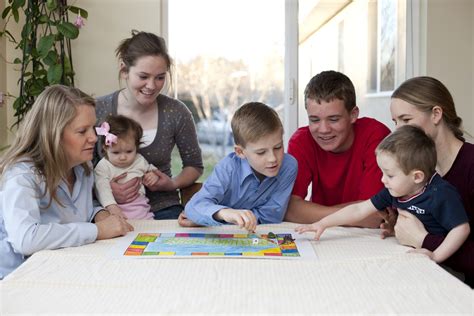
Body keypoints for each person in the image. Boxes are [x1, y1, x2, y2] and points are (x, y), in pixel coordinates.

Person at [0, 85, 134, 280]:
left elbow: (73, 213)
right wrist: (97, 230)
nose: (93, 138)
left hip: (59, 269)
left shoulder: (82, 168)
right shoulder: (22, 176)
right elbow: (25, 239)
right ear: (53, 134)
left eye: (93, 128)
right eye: (82, 131)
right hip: (17, 279)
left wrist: (99, 214)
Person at [296, 125, 470, 263]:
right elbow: (359, 210)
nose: (383, 180)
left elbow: (461, 228)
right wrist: (323, 224)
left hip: (443, 264)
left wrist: (436, 256)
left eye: (390, 174)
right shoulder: (395, 190)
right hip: (411, 254)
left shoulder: (441, 194)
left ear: (417, 176)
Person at [95, 30, 203, 220]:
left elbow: (194, 165)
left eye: (160, 77)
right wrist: (105, 192)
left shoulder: (176, 112)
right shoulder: (98, 109)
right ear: (124, 70)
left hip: (163, 207)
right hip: (107, 209)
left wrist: (172, 184)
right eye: (143, 76)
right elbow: (80, 169)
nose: (152, 86)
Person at [386, 76, 474, 286]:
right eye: (395, 122)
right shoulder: (419, 171)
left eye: (406, 120)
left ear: (436, 114)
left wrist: (423, 240)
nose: (398, 130)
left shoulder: (471, 165)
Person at [285, 70, 391, 227]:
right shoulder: (301, 141)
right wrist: (356, 214)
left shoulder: (375, 136)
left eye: (333, 119)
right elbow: (290, 210)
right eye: (314, 120)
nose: (323, 129)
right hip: (320, 232)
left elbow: (374, 216)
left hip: (366, 238)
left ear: (353, 114)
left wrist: (309, 213)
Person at [180, 102, 297, 231]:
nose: (273, 159)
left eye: (278, 147)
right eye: (261, 152)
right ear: (240, 152)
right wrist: (224, 213)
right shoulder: (228, 168)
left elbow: (271, 216)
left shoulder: (288, 166)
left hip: (247, 234)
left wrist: (210, 220)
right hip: (220, 238)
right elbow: (194, 207)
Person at [95, 115, 160, 220]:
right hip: (115, 210)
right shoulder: (103, 166)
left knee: (148, 231)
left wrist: (153, 175)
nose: (123, 157)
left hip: (141, 209)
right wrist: (111, 206)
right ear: (105, 148)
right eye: (116, 152)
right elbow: (102, 188)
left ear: (136, 147)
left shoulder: (139, 160)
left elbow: (150, 169)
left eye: (129, 151)